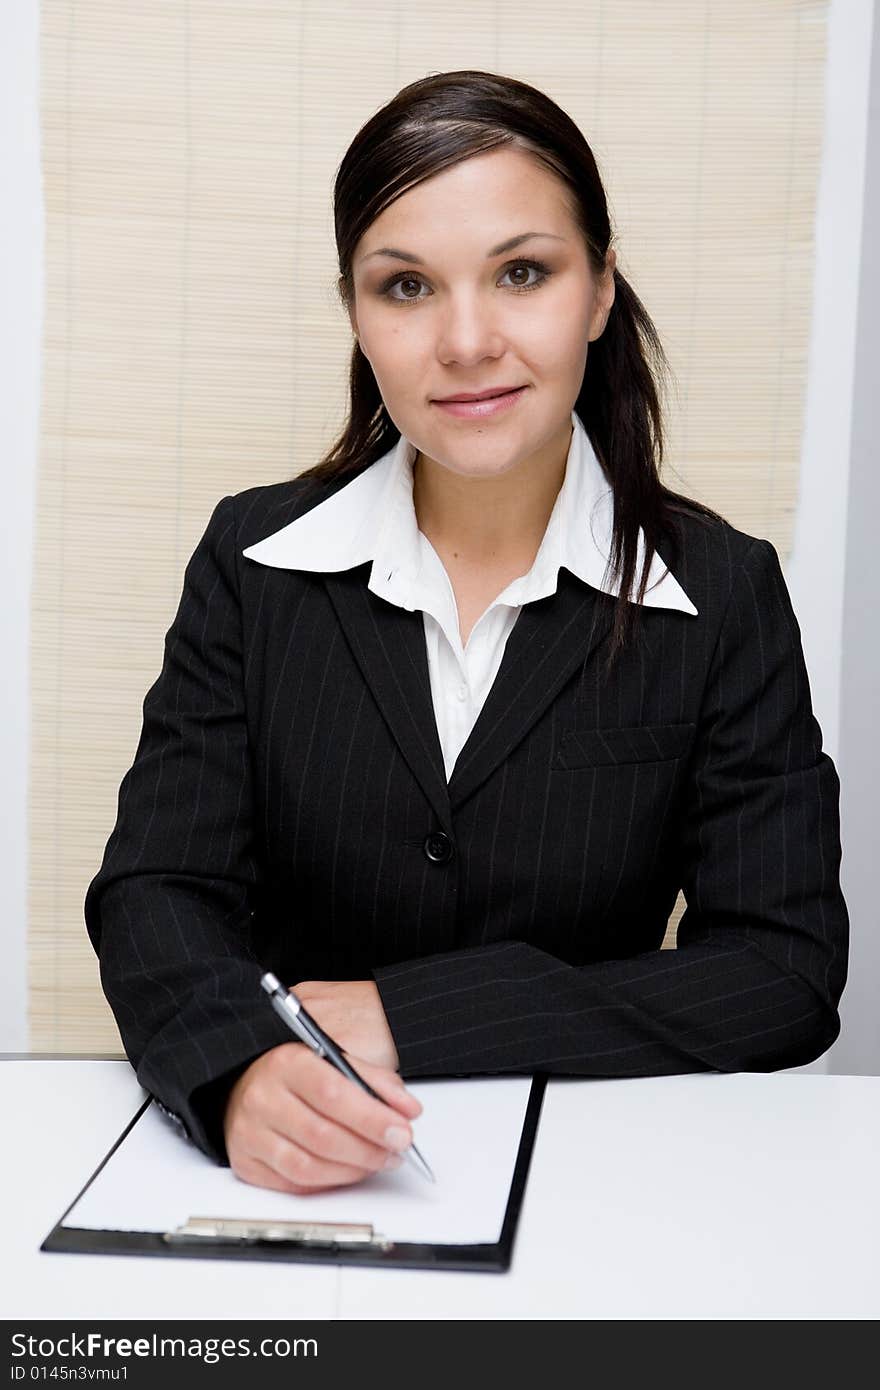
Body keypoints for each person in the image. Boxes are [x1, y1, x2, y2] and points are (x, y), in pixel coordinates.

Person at [84, 69, 849, 1198]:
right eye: (405, 287)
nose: (466, 339)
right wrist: (235, 1070)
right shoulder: (254, 563)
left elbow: (781, 974)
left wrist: (416, 1014)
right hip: (303, 1180)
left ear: (598, 291)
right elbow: (156, 891)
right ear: (355, 311)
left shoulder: (722, 592)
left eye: (522, 273)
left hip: (607, 1184)